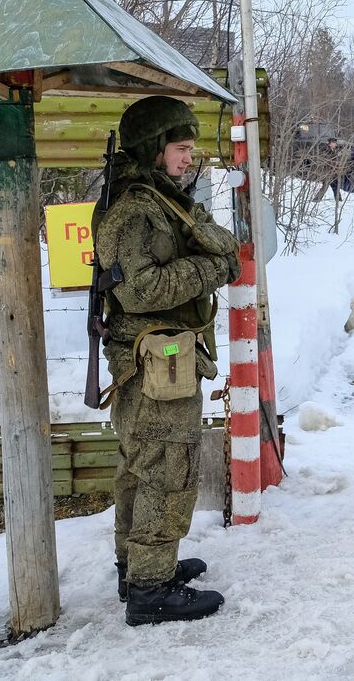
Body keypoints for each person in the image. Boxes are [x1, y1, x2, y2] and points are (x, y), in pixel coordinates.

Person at [93, 95, 240, 626]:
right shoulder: (135, 209)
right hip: (154, 362)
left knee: (141, 465)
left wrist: (213, 256)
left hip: (161, 359)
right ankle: (150, 590)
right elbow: (140, 289)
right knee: (163, 467)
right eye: (180, 147)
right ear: (155, 150)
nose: (189, 157)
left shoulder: (163, 198)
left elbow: (224, 245)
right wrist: (209, 271)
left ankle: (140, 567)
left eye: (191, 147)